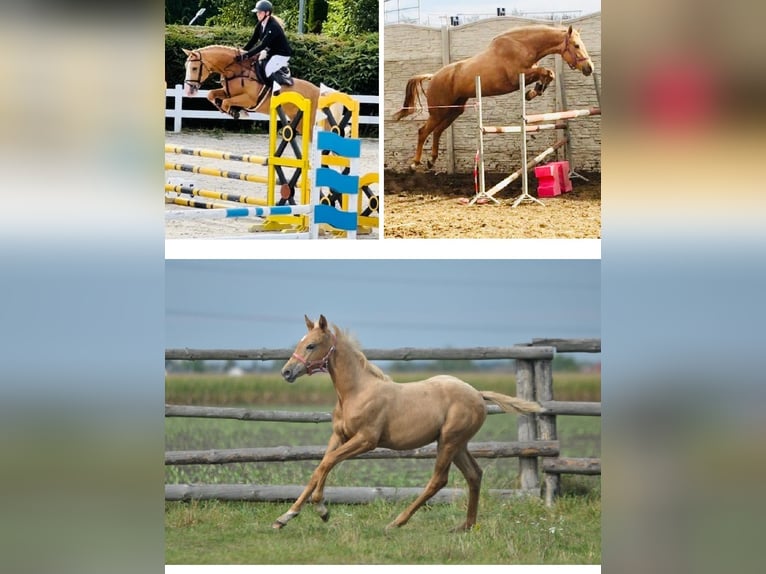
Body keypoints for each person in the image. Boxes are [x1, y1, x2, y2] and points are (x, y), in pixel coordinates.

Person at [236, 1, 294, 94]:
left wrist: (247, 55)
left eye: (260, 12)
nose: (257, 15)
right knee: (256, 66)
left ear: (267, 13)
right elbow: (253, 40)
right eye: (257, 13)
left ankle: (276, 91)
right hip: (272, 53)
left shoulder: (273, 26)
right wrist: (243, 51)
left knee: (267, 69)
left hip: (282, 54)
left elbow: (262, 45)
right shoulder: (260, 24)